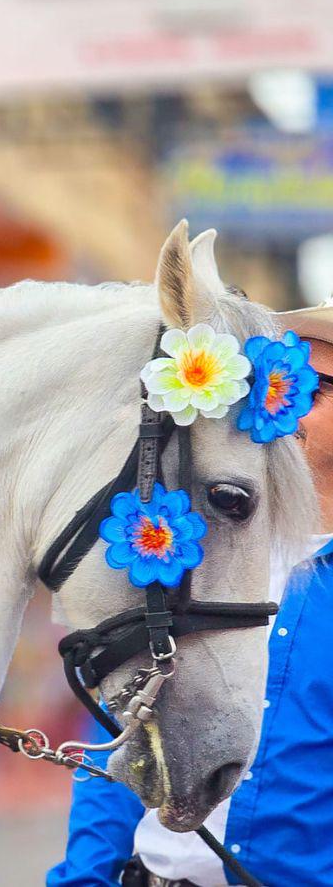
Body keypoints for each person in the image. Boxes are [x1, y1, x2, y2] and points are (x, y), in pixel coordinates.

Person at [48, 309, 333, 887]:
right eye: (278, 384)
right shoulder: (188, 553)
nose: (289, 405)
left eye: (317, 388)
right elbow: (121, 730)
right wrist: (83, 878)